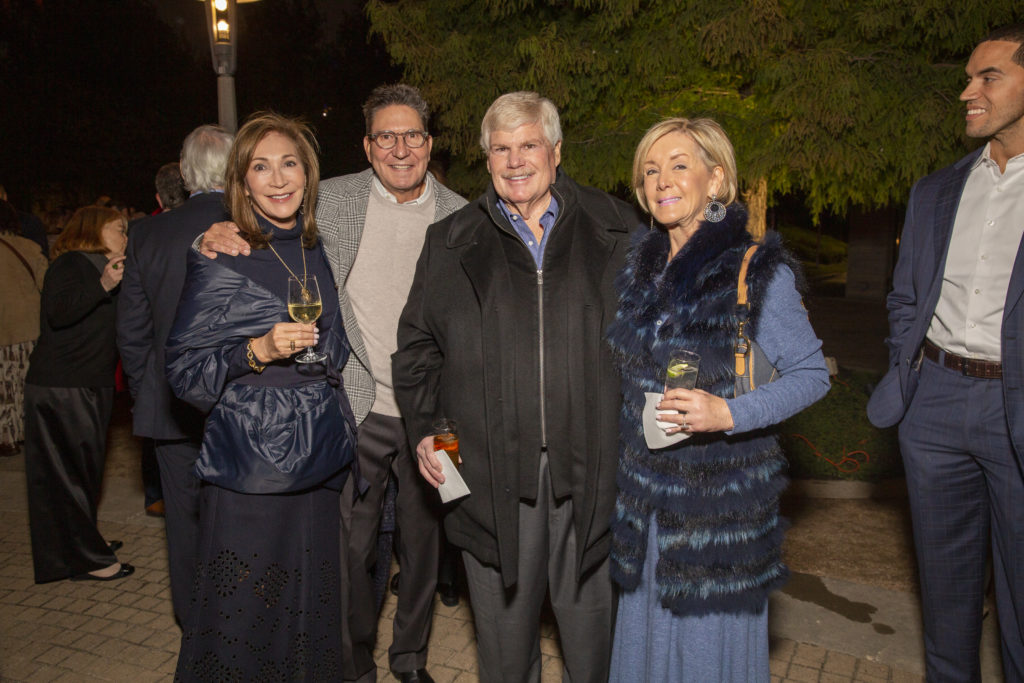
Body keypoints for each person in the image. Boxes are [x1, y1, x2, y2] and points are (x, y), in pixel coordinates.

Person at [199, 84, 467, 683]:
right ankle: (353, 666)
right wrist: (207, 235)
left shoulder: (460, 214)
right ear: (368, 147)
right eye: (386, 137)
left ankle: (411, 660)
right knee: (352, 553)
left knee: (426, 550)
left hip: (435, 416)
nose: (401, 149)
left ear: (429, 142)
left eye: (413, 135)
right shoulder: (335, 199)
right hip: (357, 406)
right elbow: (264, 220)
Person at [393, 91, 642, 682]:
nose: (514, 160)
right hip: (486, 477)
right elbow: (416, 350)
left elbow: (653, 341)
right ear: (486, 160)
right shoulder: (451, 241)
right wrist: (428, 431)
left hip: (592, 479)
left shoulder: (617, 229)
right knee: (504, 655)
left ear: (555, 152)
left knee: (592, 652)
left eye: (528, 144)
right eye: (500, 148)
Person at [604, 117, 830, 681]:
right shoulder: (640, 270)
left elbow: (811, 374)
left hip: (718, 510)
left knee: (705, 658)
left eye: (680, 165)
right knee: (647, 648)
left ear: (717, 178)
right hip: (648, 504)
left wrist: (728, 412)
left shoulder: (755, 272)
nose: (663, 180)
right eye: (651, 171)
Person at [166, 112, 358, 680]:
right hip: (251, 471)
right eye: (261, 167)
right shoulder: (222, 254)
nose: (278, 180)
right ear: (242, 181)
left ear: (308, 173)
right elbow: (184, 370)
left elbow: (335, 343)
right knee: (246, 616)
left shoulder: (315, 247)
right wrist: (257, 351)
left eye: (290, 164)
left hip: (318, 460)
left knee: (312, 609)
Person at [867, 24, 1024, 681]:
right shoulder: (936, 191)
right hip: (932, 407)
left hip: (1012, 410)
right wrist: (910, 367)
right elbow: (906, 298)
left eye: (987, 76)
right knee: (947, 606)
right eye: (968, 76)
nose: (968, 90)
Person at [116, 125, 233, 626]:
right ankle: (239, 621)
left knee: (183, 526)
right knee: (242, 519)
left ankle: (195, 627)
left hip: (171, 407)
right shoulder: (254, 224)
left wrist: (154, 396)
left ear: (185, 174)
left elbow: (133, 333)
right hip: (240, 402)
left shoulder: (147, 233)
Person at [23, 205, 132, 582]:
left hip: (84, 384)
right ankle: (89, 559)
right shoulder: (71, 264)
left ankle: (75, 544)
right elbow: (59, 312)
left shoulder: (102, 269)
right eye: (119, 229)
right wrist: (103, 285)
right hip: (63, 387)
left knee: (81, 472)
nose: (125, 236)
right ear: (93, 229)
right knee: (69, 475)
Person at [0, 200, 48, 456]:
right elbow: (46, 284)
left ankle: (6, 437)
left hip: (3, 328)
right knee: (24, 382)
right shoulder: (30, 247)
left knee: (4, 385)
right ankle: (28, 431)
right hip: (30, 327)